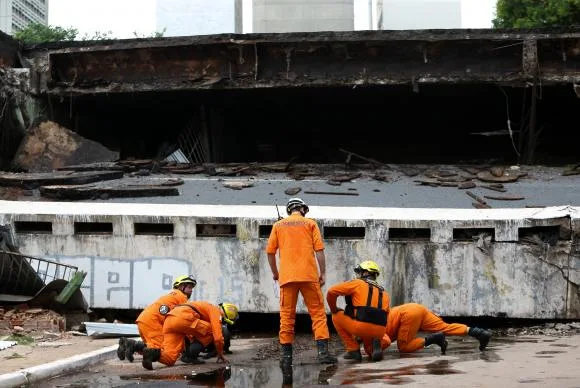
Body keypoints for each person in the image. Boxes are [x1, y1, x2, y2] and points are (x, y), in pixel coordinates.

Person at [266, 197, 337, 368]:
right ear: (302, 209)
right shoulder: (310, 224)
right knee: (318, 314)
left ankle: (286, 358)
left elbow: (270, 252)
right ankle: (323, 354)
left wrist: (276, 274)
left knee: (286, 318)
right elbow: (319, 251)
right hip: (309, 276)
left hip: (287, 278)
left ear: (289, 210)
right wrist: (323, 273)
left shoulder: (278, 226)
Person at [117, 274, 197, 362]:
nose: (191, 290)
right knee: (161, 351)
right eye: (189, 287)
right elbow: (184, 319)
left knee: (151, 347)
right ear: (181, 286)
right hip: (152, 322)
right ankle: (132, 344)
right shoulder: (181, 297)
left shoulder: (172, 295)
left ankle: (129, 345)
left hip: (144, 319)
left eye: (192, 288)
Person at [141, 301, 239, 370]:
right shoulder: (216, 311)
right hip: (183, 317)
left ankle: (151, 353)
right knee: (214, 331)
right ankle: (190, 356)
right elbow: (218, 337)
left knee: (170, 358)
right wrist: (220, 353)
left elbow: (193, 330)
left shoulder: (205, 311)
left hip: (169, 320)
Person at [326, 260, 390, 362]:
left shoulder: (358, 283)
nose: (358, 275)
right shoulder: (384, 292)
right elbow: (387, 316)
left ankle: (353, 350)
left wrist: (333, 308)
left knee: (336, 316)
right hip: (380, 331)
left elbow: (331, 291)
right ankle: (376, 344)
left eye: (360, 272)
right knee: (369, 351)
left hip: (361, 327)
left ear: (365, 273)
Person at [379, 302, 492, 354]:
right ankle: (479, 333)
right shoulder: (376, 318)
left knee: (403, 347)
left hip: (408, 315)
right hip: (416, 308)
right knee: (445, 327)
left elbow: (385, 342)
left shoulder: (372, 332)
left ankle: (434, 339)